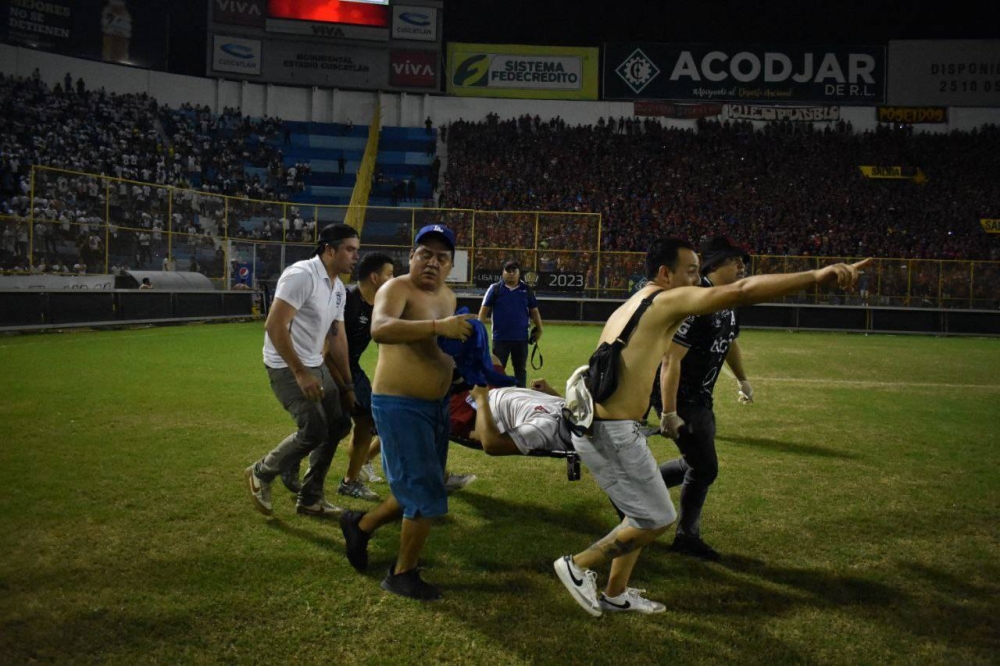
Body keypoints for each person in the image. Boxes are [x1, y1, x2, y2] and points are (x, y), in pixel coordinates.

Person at [553, 238, 869, 618]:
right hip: (612, 432)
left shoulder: (634, 302)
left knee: (638, 512)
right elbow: (740, 291)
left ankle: (616, 593)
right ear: (664, 274)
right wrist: (817, 275)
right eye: (690, 270)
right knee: (657, 518)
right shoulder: (667, 300)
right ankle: (578, 565)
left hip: (608, 426)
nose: (698, 277)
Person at [339, 224, 475, 601]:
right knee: (424, 488)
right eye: (425, 254)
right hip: (400, 405)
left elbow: (442, 346)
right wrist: (437, 326)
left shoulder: (447, 296)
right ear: (411, 257)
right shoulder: (396, 288)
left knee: (421, 483)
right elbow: (381, 328)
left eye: (441, 258)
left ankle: (360, 526)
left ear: (451, 265)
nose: (432, 262)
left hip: (436, 405)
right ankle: (402, 574)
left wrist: (473, 358)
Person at [647, 236, 755, 562]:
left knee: (696, 463)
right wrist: (668, 411)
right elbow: (671, 359)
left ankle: (636, 488)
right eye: (736, 261)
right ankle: (686, 535)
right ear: (716, 264)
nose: (742, 268)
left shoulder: (724, 301)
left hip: (701, 398)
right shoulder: (697, 301)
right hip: (682, 396)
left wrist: (742, 379)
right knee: (705, 468)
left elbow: (729, 341)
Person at [243, 223, 359, 519]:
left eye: (356, 250)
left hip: (315, 364)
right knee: (315, 430)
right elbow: (274, 325)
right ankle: (261, 472)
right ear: (329, 249)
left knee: (340, 424)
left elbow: (336, 337)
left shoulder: (337, 289)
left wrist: (347, 386)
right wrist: (300, 373)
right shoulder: (302, 275)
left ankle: (310, 498)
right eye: (349, 249)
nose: (355, 256)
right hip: (286, 365)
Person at [478, 260, 543, 388]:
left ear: (519, 273)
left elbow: (534, 311)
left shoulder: (526, 289)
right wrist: (479, 331)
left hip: (521, 339)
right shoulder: (495, 289)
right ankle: (496, 398)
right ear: (503, 272)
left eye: (514, 271)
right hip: (500, 338)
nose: (511, 273)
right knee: (497, 370)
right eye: (508, 270)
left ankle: (520, 397)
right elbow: (483, 311)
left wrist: (539, 328)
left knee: (520, 371)